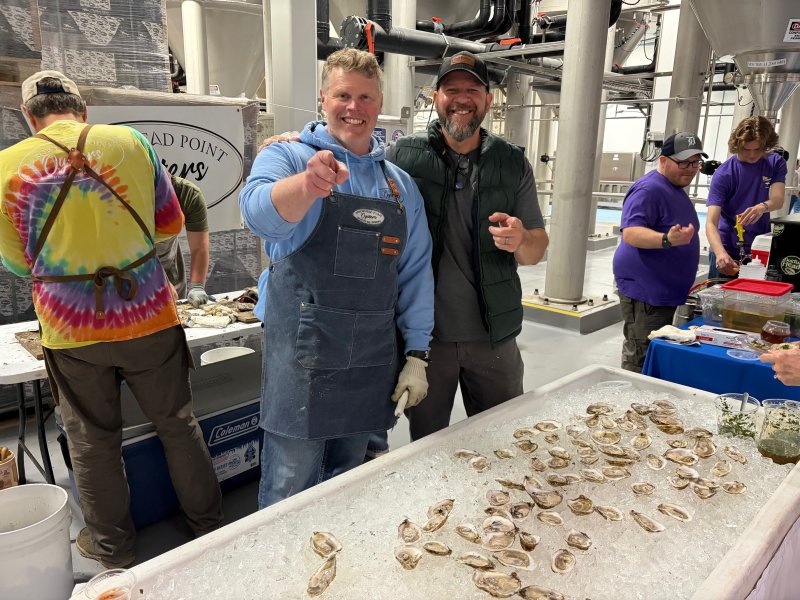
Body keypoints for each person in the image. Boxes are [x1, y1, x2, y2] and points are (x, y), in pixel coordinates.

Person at [0, 71, 222, 568]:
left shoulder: (5, 167)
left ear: (28, 117)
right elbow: (170, 222)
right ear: (83, 111)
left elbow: (18, 262)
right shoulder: (129, 142)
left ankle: (112, 549)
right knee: (177, 425)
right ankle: (208, 528)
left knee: (93, 442)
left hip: (70, 328)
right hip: (148, 315)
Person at [238, 49, 434, 508]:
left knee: (353, 483)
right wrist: (307, 185)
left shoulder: (399, 186)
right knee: (291, 485)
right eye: (343, 95)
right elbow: (258, 215)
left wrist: (418, 354)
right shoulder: (288, 157)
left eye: (365, 97)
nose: (354, 107)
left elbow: (415, 272)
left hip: (370, 359)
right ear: (323, 99)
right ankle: (281, 573)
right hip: (303, 355)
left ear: (379, 101)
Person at [386, 51, 549, 441]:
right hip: (425, 343)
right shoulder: (402, 157)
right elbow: (352, 168)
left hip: (494, 336)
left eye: (472, 89)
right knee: (426, 445)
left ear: (489, 99)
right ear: (435, 97)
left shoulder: (512, 163)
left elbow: (536, 250)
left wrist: (520, 239)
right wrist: (299, 143)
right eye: (451, 89)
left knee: (503, 438)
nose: (461, 98)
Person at [612, 132, 705, 373]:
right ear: (663, 160)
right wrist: (666, 239)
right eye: (683, 162)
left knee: (653, 348)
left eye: (695, 162)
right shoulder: (649, 189)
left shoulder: (674, 187)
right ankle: (631, 401)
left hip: (662, 290)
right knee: (641, 352)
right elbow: (631, 233)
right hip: (647, 292)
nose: (690, 169)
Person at [706, 116, 787, 278]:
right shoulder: (724, 174)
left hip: (760, 249)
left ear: (766, 145)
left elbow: (778, 200)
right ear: (737, 146)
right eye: (746, 150)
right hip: (726, 249)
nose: (752, 155)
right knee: (719, 302)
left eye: (757, 149)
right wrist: (721, 254)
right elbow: (711, 222)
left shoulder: (775, 163)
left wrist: (762, 207)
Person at [156, 174, 211, 305]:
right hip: (126, 272)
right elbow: (121, 249)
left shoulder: (188, 195)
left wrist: (197, 286)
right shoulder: (121, 199)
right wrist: (156, 280)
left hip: (170, 268)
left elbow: (199, 248)